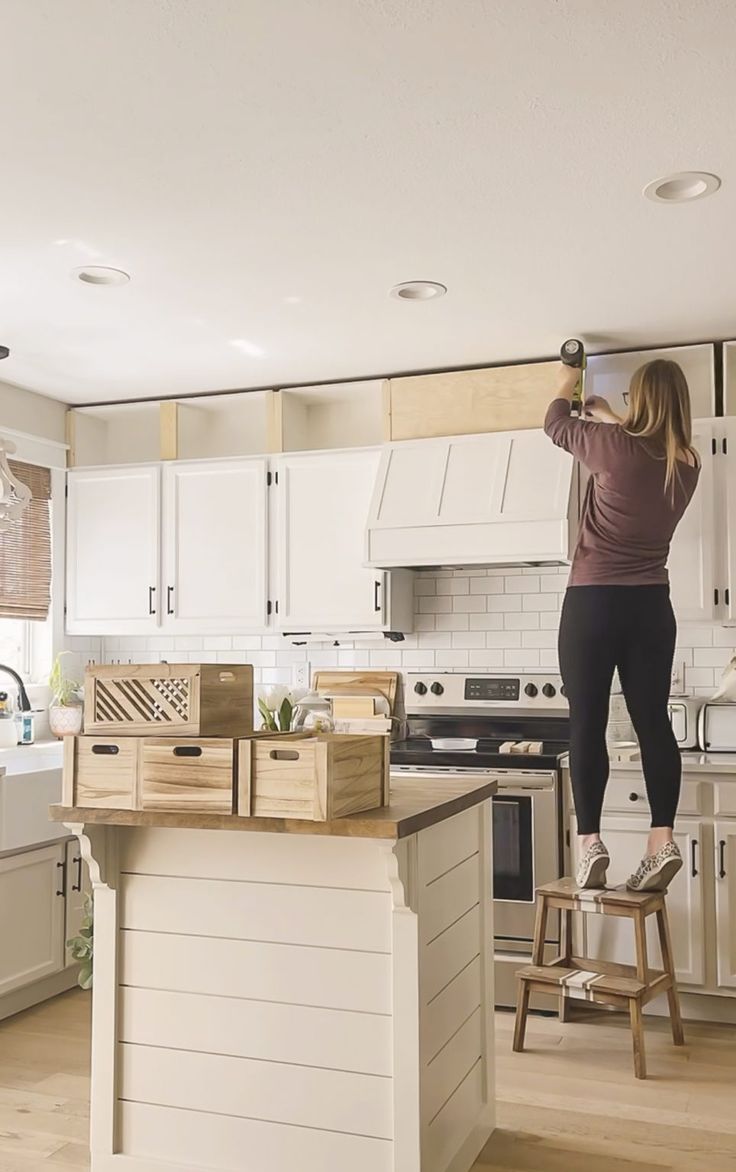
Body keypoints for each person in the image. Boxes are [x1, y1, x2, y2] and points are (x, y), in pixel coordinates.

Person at [545, 359, 700, 891]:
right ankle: (662, 841)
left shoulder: (614, 448)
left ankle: (590, 844)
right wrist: (612, 417)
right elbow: (642, 446)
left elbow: (554, 424)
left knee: (587, 722)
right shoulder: (687, 463)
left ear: (642, 401)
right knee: (653, 722)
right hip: (652, 608)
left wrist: (566, 380)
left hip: (593, 602)